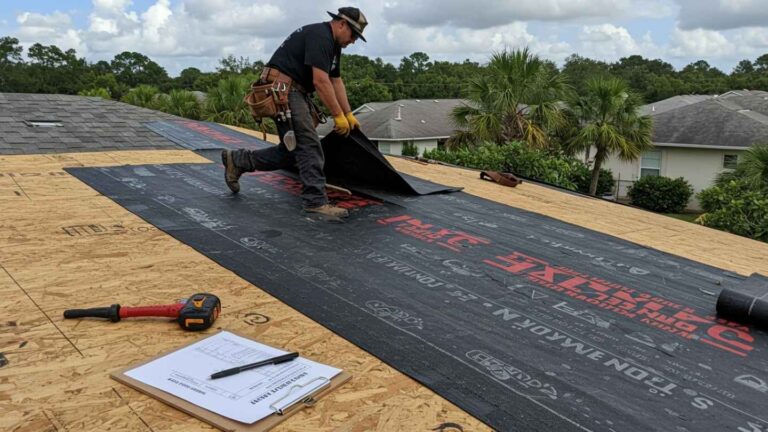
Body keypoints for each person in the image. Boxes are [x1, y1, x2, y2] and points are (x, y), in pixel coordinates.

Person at [222, 7, 368, 219]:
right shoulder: (321, 36)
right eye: (353, 34)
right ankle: (315, 203)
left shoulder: (333, 45)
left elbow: (335, 80)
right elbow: (320, 81)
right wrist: (337, 115)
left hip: (293, 90)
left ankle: (238, 161)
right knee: (309, 144)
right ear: (341, 24)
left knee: (291, 151)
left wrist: (348, 114)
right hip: (284, 89)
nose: (353, 40)